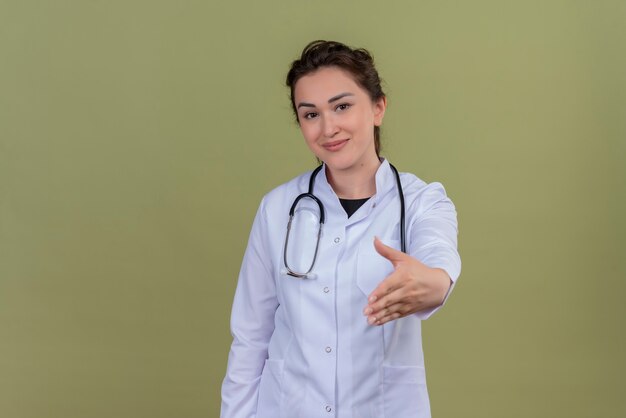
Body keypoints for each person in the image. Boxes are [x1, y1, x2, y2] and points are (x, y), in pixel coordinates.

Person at [221, 40, 461, 418]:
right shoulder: (278, 208)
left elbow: (439, 259)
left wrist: (432, 284)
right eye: (310, 114)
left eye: (342, 106)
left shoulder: (420, 202)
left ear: (378, 107)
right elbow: (251, 338)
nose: (327, 128)